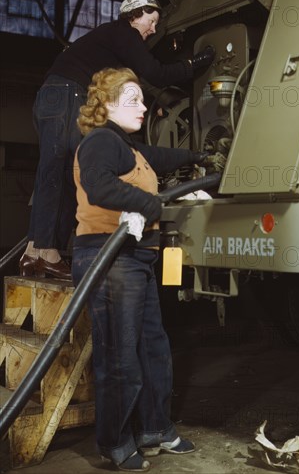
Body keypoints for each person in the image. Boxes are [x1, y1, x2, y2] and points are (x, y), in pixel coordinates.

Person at [71, 67, 219, 472]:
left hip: (135, 259)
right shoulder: (101, 141)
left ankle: (155, 429)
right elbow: (100, 186)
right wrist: (149, 205)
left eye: (141, 99)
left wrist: (199, 156)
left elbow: (159, 156)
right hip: (107, 256)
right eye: (132, 100)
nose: (142, 107)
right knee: (120, 357)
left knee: (152, 348)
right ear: (107, 106)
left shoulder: (127, 147)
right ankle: (116, 445)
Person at [20, 0, 215, 279]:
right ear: (135, 14)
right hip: (68, 95)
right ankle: (49, 252)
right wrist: (194, 64)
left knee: (53, 171)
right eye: (151, 21)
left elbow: (131, 80)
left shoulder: (108, 38)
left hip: (51, 97)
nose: (152, 30)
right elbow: (155, 72)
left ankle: (34, 251)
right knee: (68, 171)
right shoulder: (124, 33)